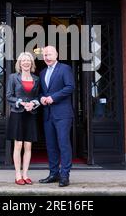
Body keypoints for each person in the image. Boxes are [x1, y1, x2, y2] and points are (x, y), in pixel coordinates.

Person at [38, 46, 75, 187]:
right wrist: (41, 98)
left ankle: (65, 175)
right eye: (45, 55)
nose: (47, 57)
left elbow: (70, 87)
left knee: (63, 144)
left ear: (56, 54)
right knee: (51, 145)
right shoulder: (42, 73)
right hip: (48, 114)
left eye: (49, 54)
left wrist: (53, 97)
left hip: (63, 114)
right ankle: (54, 173)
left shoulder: (64, 69)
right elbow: (42, 92)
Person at [6, 52, 41, 185]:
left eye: (28, 60)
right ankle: (18, 175)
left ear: (31, 63)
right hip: (17, 113)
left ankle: (26, 174)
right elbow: (9, 96)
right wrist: (21, 102)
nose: (26, 63)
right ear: (19, 63)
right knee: (18, 144)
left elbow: (38, 97)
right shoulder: (13, 77)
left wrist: (33, 104)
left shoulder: (36, 79)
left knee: (28, 145)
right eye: (23, 60)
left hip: (30, 114)